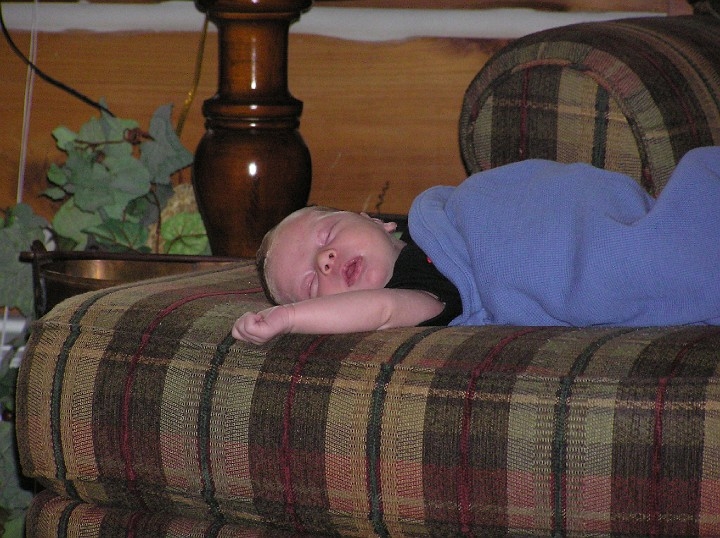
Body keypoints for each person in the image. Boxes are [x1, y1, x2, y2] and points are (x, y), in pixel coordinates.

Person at [233, 146, 720, 345]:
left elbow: (542, 192)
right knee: (641, 260)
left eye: (327, 236)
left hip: (588, 209)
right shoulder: (422, 287)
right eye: (310, 284)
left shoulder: (442, 217)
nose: (325, 260)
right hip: (592, 257)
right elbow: (379, 311)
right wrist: (288, 319)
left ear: (375, 221)